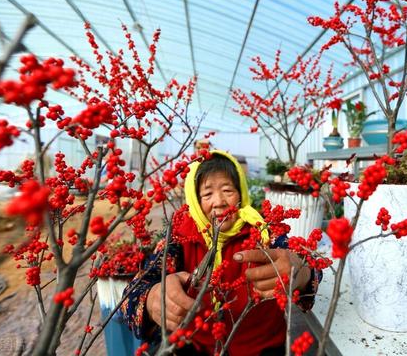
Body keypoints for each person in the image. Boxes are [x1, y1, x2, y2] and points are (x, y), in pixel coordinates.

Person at [121, 150, 320, 355]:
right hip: (196, 348)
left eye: (228, 190)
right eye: (207, 194)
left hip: (262, 348)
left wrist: (301, 271)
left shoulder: (264, 232)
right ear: (195, 201)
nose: (219, 202)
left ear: (241, 193)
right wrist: (153, 298)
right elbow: (134, 292)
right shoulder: (179, 238)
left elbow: (308, 264)